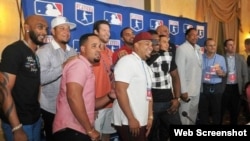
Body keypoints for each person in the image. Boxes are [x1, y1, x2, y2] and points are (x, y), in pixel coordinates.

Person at [52, 33, 116, 141]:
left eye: (100, 46)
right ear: (83, 49)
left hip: (78, 129)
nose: (99, 50)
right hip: (71, 130)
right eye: (94, 46)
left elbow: (91, 103)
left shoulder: (86, 67)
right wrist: (90, 129)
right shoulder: (79, 65)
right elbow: (73, 97)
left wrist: (110, 96)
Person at [0, 15, 48, 141]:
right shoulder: (14, 51)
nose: (44, 32)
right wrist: (16, 127)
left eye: (46, 29)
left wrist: (38, 115)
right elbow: (4, 91)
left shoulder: (35, 54)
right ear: (26, 28)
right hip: (19, 123)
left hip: (34, 119)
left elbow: (33, 86)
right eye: (40, 27)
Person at [36, 16, 77, 141]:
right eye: (62, 28)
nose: (66, 32)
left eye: (68, 29)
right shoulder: (44, 51)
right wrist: (64, 66)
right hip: (51, 108)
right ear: (53, 32)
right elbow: (41, 78)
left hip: (70, 106)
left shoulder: (73, 52)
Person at [112, 32, 153, 141]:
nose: (151, 47)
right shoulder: (126, 61)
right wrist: (131, 118)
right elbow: (120, 90)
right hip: (128, 120)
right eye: (147, 44)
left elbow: (149, 94)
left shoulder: (146, 66)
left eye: (151, 44)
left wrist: (149, 116)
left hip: (141, 119)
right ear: (136, 45)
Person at [146, 34, 181, 141]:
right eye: (164, 42)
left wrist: (177, 98)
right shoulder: (144, 57)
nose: (168, 44)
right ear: (156, 43)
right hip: (152, 104)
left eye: (168, 41)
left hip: (169, 102)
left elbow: (175, 78)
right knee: (152, 134)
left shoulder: (168, 56)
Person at [92, 20, 116, 141]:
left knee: (106, 135)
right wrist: (92, 106)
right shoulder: (90, 53)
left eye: (109, 31)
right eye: (104, 30)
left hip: (110, 102)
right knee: (95, 136)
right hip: (96, 104)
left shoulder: (111, 53)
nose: (108, 33)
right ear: (96, 32)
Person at [175, 28, 202, 125]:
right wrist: (183, 90)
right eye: (192, 35)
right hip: (186, 90)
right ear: (187, 37)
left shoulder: (198, 48)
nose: (195, 37)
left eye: (197, 35)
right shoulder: (182, 49)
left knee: (193, 114)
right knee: (185, 115)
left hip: (196, 89)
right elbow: (180, 70)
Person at [198, 38, 227, 125]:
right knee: (203, 111)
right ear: (205, 47)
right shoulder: (200, 57)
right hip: (203, 87)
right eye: (210, 45)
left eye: (214, 45)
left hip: (216, 87)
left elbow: (224, 73)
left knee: (216, 111)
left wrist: (221, 73)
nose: (213, 47)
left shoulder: (221, 58)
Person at [221, 38, 248, 125]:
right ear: (225, 47)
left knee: (235, 110)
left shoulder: (241, 58)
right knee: (221, 109)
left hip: (237, 87)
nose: (233, 46)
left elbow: (245, 73)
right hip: (225, 87)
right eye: (230, 45)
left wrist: (245, 87)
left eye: (233, 44)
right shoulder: (221, 58)